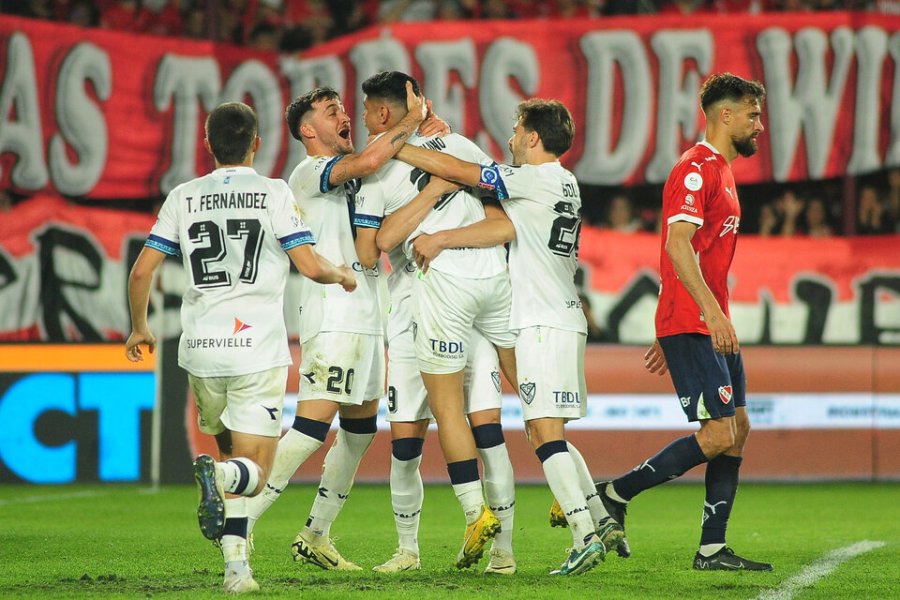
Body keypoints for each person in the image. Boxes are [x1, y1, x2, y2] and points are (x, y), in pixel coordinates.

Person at [125, 101, 356, 593]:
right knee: (254, 468)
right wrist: (341, 274)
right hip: (256, 348)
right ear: (256, 143)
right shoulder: (273, 192)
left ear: (208, 144)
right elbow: (311, 266)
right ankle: (223, 480)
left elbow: (143, 270)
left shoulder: (183, 197)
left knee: (229, 447)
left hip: (201, 350)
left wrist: (139, 328)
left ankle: (237, 572)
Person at [394, 98, 623, 576]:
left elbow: (463, 169)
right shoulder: (565, 180)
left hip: (541, 322)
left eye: (518, 131)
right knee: (550, 428)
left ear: (534, 138)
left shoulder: (531, 179)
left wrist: (400, 148)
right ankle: (601, 519)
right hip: (564, 317)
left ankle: (583, 535)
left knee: (542, 433)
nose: (511, 139)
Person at [242, 83, 426, 570]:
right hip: (334, 310)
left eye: (344, 108)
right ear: (308, 130)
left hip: (368, 310)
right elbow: (367, 163)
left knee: (361, 430)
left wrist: (429, 133)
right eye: (331, 111)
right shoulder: (307, 173)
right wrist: (414, 118)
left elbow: (385, 164)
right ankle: (240, 517)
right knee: (310, 426)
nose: (344, 115)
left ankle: (316, 533)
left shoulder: (356, 171)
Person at [598, 72, 773, 571]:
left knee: (737, 427)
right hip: (701, 322)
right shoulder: (696, 168)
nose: (759, 125)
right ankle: (615, 492)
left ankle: (713, 548)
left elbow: (688, 252)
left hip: (706, 320)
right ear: (725, 115)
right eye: (752, 115)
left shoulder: (721, 171)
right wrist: (699, 313)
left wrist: (678, 313)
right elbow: (676, 244)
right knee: (718, 434)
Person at [352, 71, 518, 574]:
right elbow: (381, 243)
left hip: (467, 303)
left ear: (384, 113)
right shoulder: (375, 172)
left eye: (366, 110)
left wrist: (444, 236)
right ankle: (408, 550)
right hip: (409, 308)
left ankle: (502, 551)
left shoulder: (460, 146)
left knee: (487, 429)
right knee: (405, 441)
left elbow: (502, 222)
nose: (362, 118)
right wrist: (432, 195)